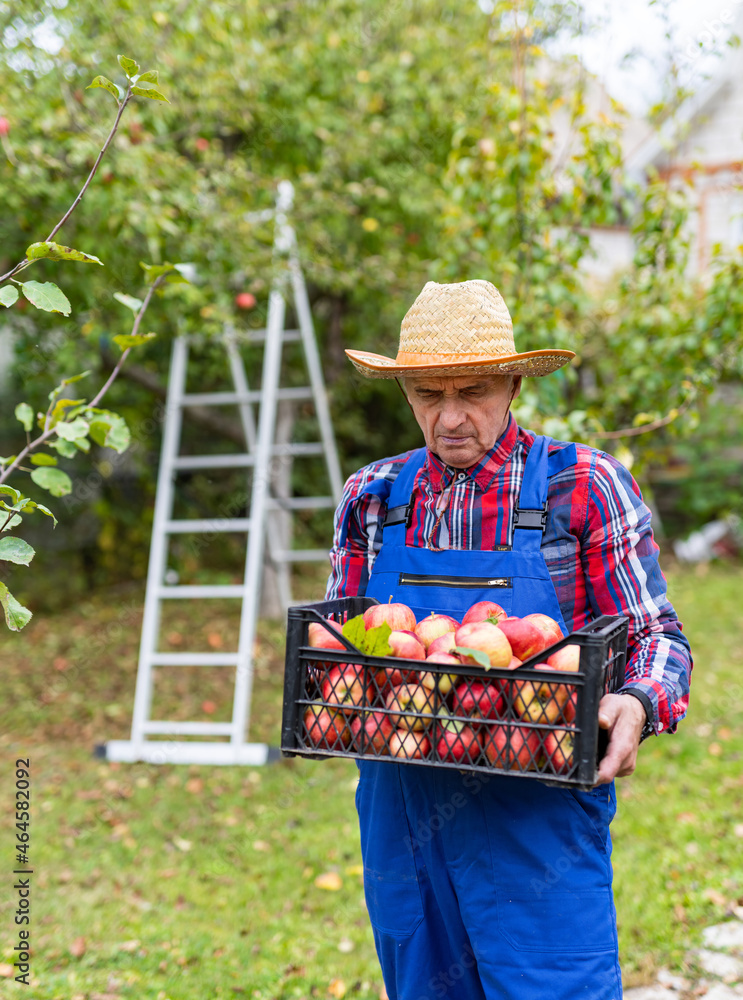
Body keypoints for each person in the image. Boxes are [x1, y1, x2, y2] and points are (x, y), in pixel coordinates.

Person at [324, 280, 692, 1000]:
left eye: (474, 390)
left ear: (514, 382)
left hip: (538, 813)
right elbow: (348, 653)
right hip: (405, 810)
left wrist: (637, 701)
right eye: (429, 394)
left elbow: (657, 634)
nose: (451, 417)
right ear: (404, 392)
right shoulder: (369, 497)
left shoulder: (582, 487)